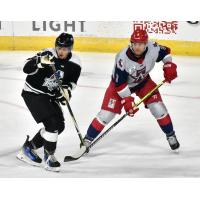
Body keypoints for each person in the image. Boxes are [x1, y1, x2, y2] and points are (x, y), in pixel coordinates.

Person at [82, 29, 180, 152]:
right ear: (131, 43)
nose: (137, 47)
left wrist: (168, 65)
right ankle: (87, 140)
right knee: (106, 115)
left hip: (143, 82)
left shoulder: (153, 47)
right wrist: (127, 101)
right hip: (119, 87)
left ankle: (170, 135)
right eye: (135, 44)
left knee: (158, 108)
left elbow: (166, 53)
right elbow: (120, 84)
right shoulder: (122, 58)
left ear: (146, 43)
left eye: (141, 44)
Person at [17, 32, 81, 172]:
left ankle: (29, 148)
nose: (61, 51)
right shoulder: (47, 54)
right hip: (33, 93)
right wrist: (38, 62)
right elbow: (25, 67)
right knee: (52, 124)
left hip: (49, 96)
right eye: (59, 48)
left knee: (59, 126)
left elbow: (72, 82)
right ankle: (49, 157)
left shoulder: (75, 63)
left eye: (65, 49)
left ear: (70, 49)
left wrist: (66, 91)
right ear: (56, 46)